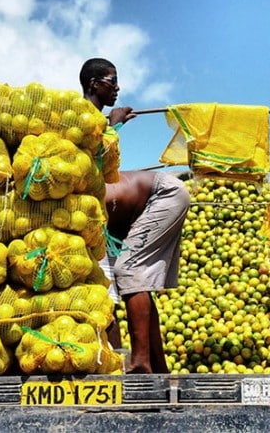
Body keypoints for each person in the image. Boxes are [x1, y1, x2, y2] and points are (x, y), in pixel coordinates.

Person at [80, 58, 190, 373]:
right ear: (94, 83)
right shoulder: (84, 122)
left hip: (163, 196)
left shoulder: (95, 126)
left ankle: (141, 363)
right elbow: (107, 308)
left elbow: (97, 159)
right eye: (111, 81)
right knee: (114, 288)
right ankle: (149, 363)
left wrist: (113, 124)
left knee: (131, 271)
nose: (117, 87)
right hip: (118, 227)